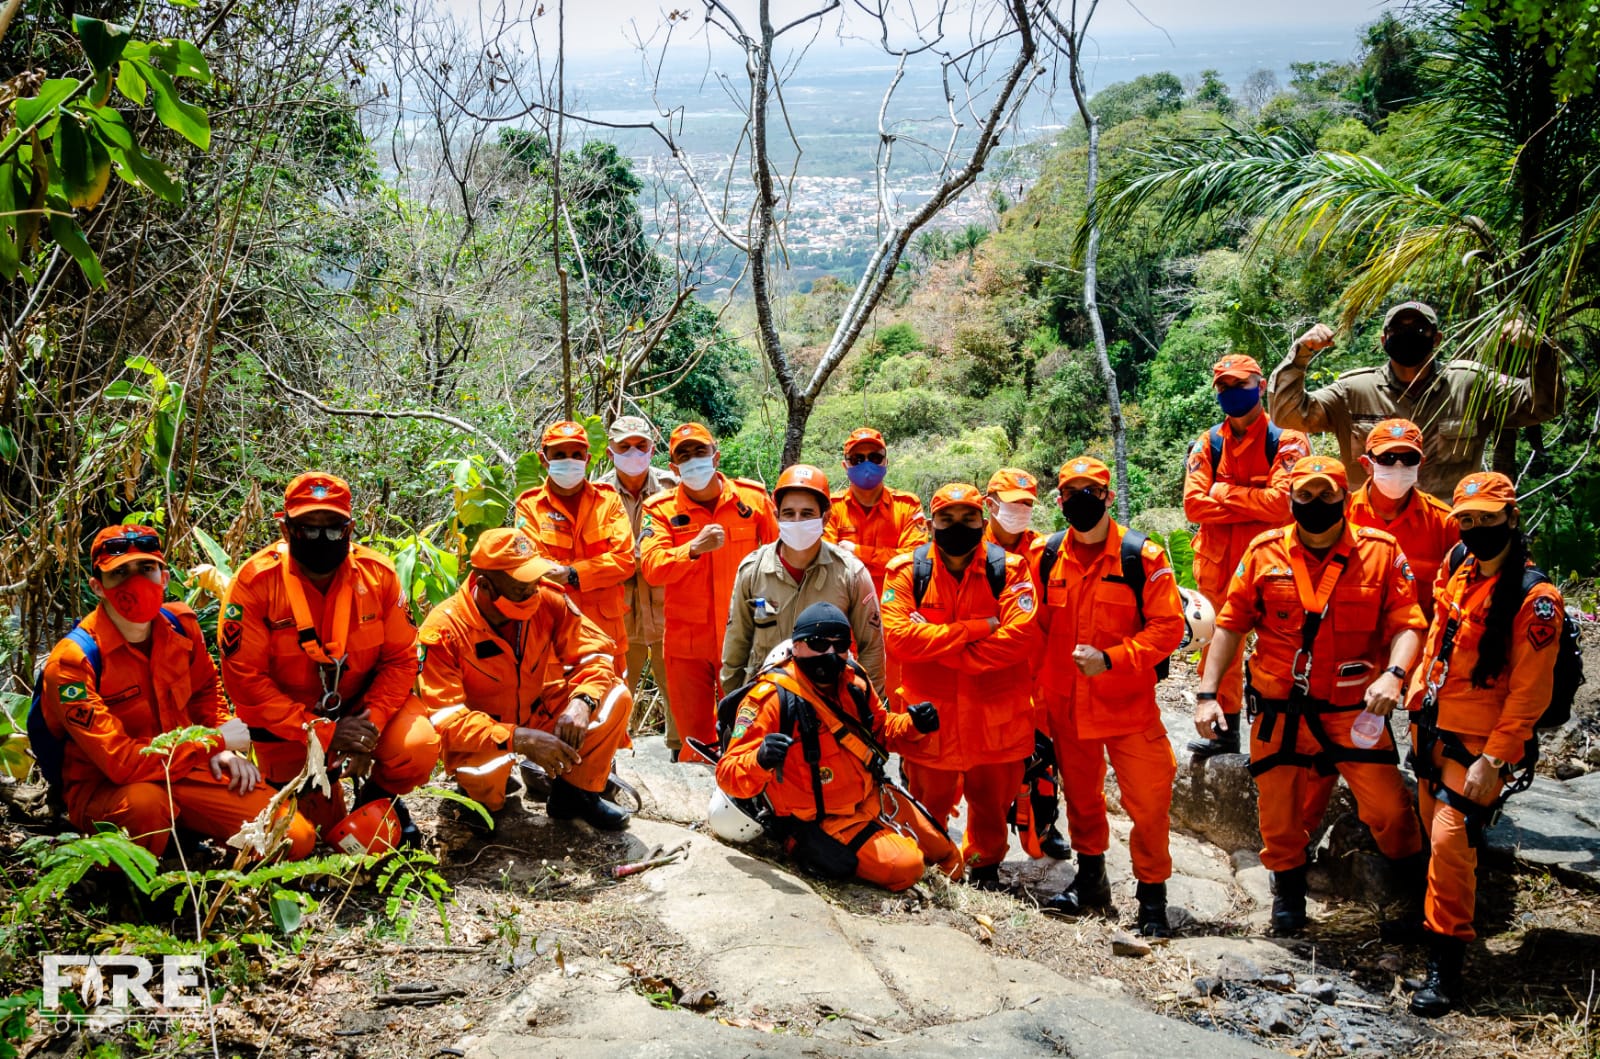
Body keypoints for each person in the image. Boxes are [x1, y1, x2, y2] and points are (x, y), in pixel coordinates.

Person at [1193, 456, 1427, 935]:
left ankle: (1412, 891)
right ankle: (1288, 893)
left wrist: (1396, 675)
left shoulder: (1380, 551)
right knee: (1282, 815)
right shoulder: (1263, 553)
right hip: (1283, 713)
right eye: (1305, 495)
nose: (1315, 504)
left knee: (1390, 811)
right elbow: (1230, 628)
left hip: (1354, 712)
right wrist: (1206, 693)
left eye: (1326, 495)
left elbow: (1409, 623)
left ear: (1345, 497)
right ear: (1292, 498)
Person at [37, 526, 316, 859]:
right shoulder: (73, 662)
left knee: (294, 838)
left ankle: (186, 833)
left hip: (185, 771)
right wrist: (213, 742)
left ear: (164, 577)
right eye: (120, 573)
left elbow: (205, 693)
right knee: (147, 807)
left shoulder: (182, 627)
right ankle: (132, 886)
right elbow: (121, 763)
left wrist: (221, 752)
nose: (135, 582)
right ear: (98, 586)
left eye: (146, 569)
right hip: (110, 789)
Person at [1403, 472, 1565, 1017]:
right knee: (1433, 836)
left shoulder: (1534, 597)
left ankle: (1446, 971)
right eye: (1467, 519)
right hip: (1433, 727)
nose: (1475, 528)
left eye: (1487, 519)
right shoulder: (1456, 565)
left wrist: (1495, 759)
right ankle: (1428, 922)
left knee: (1450, 841)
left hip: (1481, 742)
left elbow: (1530, 691)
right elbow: (1437, 640)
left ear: (1511, 519)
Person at [221, 473, 440, 840]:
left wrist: (371, 726)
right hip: (289, 725)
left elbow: (402, 658)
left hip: (360, 708)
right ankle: (330, 799)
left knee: (415, 749)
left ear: (351, 528)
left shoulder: (378, 577)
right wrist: (323, 732)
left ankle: (377, 800)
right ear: (286, 529)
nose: (322, 538)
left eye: (333, 528)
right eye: (308, 528)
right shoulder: (255, 584)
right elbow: (246, 681)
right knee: (307, 833)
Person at [1035, 459, 1186, 935]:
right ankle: (1091, 879)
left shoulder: (1142, 557)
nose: (1081, 498)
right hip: (1066, 704)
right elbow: (1033, 629)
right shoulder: (1047, 556)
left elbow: (1169, 628)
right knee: (1081, 798)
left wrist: (1114, 657)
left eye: (1091, 489)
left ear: (1109, 496)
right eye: (1071, 490)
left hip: (1127, 705)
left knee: (1148, 803)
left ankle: (1152, 897)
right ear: (1059, 500)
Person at [716, 602, 961, 891]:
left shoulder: (854, 681)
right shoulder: (771, 699)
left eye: (840, 645)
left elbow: (881, 732)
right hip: (828, 821)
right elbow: (728, 774)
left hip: (873, 796)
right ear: (797, 646)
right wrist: (761, 759)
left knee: (951, 861)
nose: (829, 654)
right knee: (908, 868)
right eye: (818, 644)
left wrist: (914, 725)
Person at [880, 483, 1041, 888]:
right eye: (947, 519)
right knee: (928, 803)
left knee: (991, 805)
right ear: (931, 523)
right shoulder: (907, 570)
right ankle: (934, 868)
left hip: (997, 718)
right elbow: (898, 639)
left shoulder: (1011, 568)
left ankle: (985, 870)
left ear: (983, 520)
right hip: (932, 718)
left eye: (968, 518)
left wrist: (937, 643)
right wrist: (978, 629)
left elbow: (1020, 639)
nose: (958, 526)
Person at [416, 528, 632, 830]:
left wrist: (583, 701)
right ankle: (480, 797)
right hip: (483, 732)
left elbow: (595, 654)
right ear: (486, 586)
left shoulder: (547, 599)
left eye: (534, 578)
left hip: (536, 709)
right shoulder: (445, 628)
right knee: (484, 783)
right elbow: (444, 720)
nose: (533, 590)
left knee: (613, 697)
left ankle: (574, 794)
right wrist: (519, 739)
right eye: (521, 585)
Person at [1268, 301, 1566, 496]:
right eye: (1398, 329)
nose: (1408, 334)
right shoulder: (1354, 391)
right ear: (1384, 340)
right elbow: (1289, 415)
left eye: (1420, 329)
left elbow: (1543, 404)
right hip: (1371, 537)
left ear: (1436, 338)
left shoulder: (1470, 385)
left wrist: (1539, 350)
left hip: (1447, 533)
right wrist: (1301, 354)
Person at [1183, 354, 1310, 758]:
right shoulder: (1208, 443)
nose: (1231, 393)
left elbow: (1282, 506)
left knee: (1283, 648)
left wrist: (1223, 493)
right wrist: (1252, 499)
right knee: (1218, 649)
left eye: (1240, 384)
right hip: (1217, 566)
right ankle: (1223, 732)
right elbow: (1192, 506)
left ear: (1260, 386)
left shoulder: (1287, 440)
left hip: (1273, 564)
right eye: (1223, 386)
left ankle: (1289, 732)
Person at [638, 422, 778, 760]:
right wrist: (693, 549)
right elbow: (653, 568)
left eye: (700, 451)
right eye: (683, 455)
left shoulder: (753, 499)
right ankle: (695, 807)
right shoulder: (659, 510)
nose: (693, 459)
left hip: (746, 635)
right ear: (673, 468)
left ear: (715, 455)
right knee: (694, 742)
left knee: (753, 732)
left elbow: (780, 555)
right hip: (688, 645)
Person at [720, 464, 884, 695]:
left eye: (807, 514)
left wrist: (865, 710)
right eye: (789, 513)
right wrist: (732, 709)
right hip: (765, 703)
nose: (797, 520)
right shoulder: (752, 571)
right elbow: (736, 649)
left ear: (824, 519)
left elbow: (872, 648)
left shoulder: (850, 574)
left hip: (830, 709)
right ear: (777, 516)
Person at [514, 420, 637, 671]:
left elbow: (624, 561)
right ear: (543, 459)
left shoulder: (609, 501)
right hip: (551, 637)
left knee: (613, 707)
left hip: (606, 636)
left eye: (576, 454)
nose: (569, 460)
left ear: (588, 459)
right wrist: (598, 570)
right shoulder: (529, 506)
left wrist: (571, 573)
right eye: (559, 454)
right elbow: (532, 566)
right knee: (556, 710)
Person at [823, 426, 927, 709]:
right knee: (846, 702)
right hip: (846, 617)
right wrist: (885, 559)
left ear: (886, 461)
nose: (867, 463)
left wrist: (857, 551)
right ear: (845, 465)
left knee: (901, 701)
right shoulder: (831, 508)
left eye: (875, 456)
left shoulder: (907, 506)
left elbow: (913, 559)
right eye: (857, 459)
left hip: (897, 617)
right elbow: (828, 560)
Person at [595, 415, 681, 751]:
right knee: (613, 692)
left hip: (669, 609)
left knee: (678, 690)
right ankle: (608, 760)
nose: (633, 452)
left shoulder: (674, 487)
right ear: (610, 451)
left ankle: (683, 756)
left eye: (640, 446)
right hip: (617, 612)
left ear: (652, 448)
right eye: (625, 446)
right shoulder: (598, 494)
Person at [1348, 419, 1457, 624]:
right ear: (1366, 464)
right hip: (1354, 647)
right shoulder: (1342, 516)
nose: (1398, 465)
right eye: (1387, 458)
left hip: (1419, 646)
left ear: (1420, 463)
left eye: (1409, 458)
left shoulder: (1444, 523)